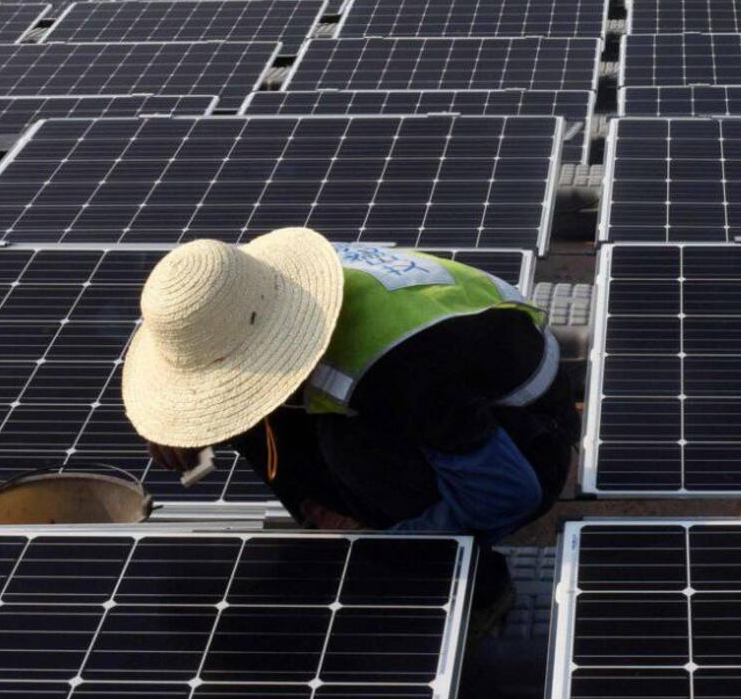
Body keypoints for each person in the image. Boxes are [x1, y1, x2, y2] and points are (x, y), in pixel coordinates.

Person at [122, 227, 577, 557]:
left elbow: (509, 494)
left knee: (344, 449)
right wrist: (193, 420)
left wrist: (381, 548)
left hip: (529, 436)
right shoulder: (265, 290)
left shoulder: (392, 373)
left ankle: (421, 543)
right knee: (257, 424)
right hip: (454, 376)